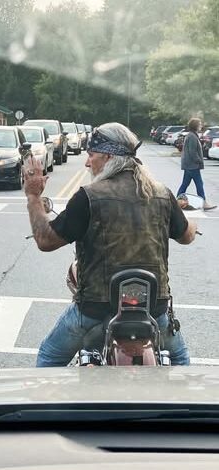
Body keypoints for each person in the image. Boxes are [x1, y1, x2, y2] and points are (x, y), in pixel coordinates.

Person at [23, 122, 197, 367]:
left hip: (95, 307)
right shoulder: (162, 194)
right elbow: (186, 236)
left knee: (50, 356)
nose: (87, 163)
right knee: (180, 359)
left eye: (91, 155)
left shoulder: (88, 197)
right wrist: (193, 225)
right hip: (153, 307)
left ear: (107, 157)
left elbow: (45, 240)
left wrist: (33, 196)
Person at [177, 117, 216, 211]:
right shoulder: (192, 136)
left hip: (189, 165)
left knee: (185, 184)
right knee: (199, 184)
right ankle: (204, 203)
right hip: (192, 165)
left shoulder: (192, 135)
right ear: (195, 126)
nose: (201, 126)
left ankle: (176, 202)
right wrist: (199, 160)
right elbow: (192, 152)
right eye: (200, 124)